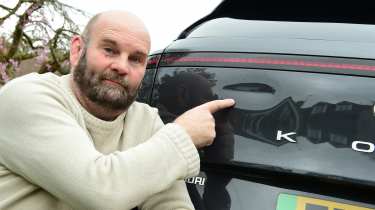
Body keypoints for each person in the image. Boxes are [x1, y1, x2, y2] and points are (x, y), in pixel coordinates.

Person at [0, 10, 235, 210]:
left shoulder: (145, 121)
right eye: (110, 50)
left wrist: (217, 184)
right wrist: (183, 136)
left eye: (136, 59)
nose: (122, 67)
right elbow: (100, 190)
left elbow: (171, 205)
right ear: (77, 51)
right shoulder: (27, 96)